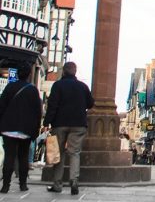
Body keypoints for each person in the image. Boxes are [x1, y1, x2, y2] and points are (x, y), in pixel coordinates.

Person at [44, 61, 95, 195]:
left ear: (64, 72)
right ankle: (74, 180)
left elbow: (52, 105)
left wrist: (46, 122)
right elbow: (90, 103)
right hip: (78, 124)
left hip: (60, 123)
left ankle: (57, 184)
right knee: (75, 152)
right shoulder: (82, 86)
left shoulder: (58, 85)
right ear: (75, 71)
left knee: (59, 153)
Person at [0, 62, 42, 193]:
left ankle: (5, 185)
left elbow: (1, 107)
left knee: (9, 156)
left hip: (9, 127)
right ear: (29, 74)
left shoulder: (10, 87)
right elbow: (38, 112)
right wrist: (36, 130)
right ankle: (23, 184)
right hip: (26, 128)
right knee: (23, 156)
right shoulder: (33, 90)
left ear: (17, 74)